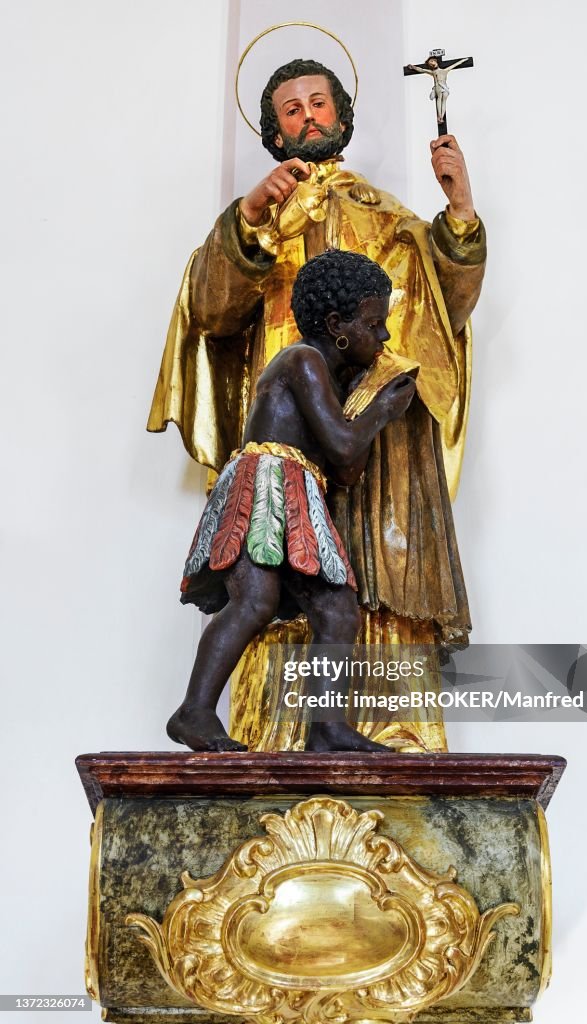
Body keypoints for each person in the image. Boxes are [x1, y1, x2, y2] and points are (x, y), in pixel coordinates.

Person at [148, 58, 487, 753]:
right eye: (291, 110)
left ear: (341, 115)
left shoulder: (387, 218)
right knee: (267, 591)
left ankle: (364, 722)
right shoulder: (262, 223)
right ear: (274, 132)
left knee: (357, 577)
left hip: (376, 447)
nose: (307, 117)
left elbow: (441, 307)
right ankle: (262, 726)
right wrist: (248, 217)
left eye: (318, 104)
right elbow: (211, 311)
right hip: (292, 447)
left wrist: (457, 213)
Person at [168, 251, 415, 752]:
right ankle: (193, 712)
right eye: (374, 323)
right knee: (255, 601)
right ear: (336, 325)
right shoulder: (302, 360)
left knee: (337, 609)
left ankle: (325, 727)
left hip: (297, 487)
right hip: (268, 485)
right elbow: (344, 445)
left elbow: (344, 469)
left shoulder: (326, 369)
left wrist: (365, 404)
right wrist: (383, 411)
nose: (383, 336)